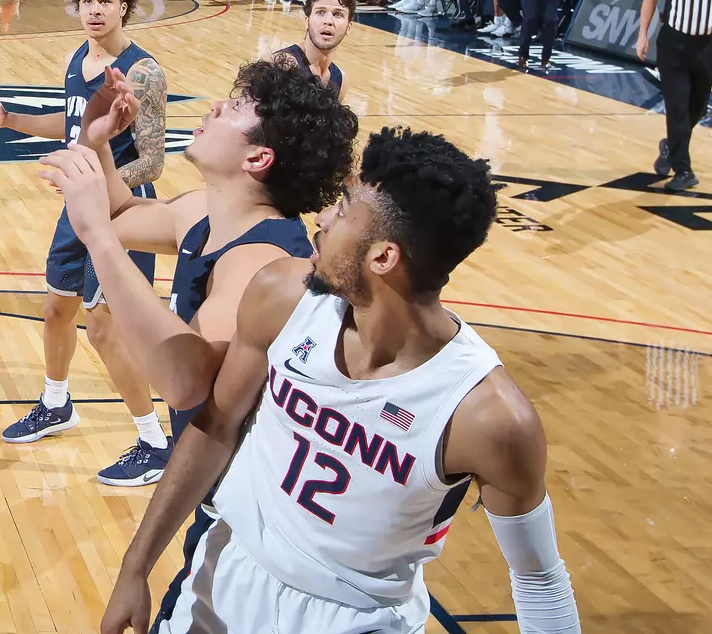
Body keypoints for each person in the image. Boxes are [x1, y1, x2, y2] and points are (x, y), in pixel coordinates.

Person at [95, 127, 581, 634]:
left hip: (356, 619)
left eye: (345, 207)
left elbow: (540, 581)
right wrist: (136, 566)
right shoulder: (281, 295)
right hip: (226, 577)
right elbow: (214, 428)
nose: (323, 218)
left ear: (383, 257)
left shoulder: (489, 416)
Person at [39, 57, 358, 627]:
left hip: (250, 517)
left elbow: (189, 385)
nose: (213, 106)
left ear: (258, 159)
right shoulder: (205, 214)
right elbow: (120, 214)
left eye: (235, 108)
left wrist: (95, 239)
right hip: (209, 490)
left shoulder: (262, 262)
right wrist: (99, 140)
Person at [0, 0, 173, 484]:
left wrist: (94, 171)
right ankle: (56, 404)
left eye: (106, 0)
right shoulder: (77, 56)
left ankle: (154, 440)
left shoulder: (143, 71)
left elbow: (152, 161)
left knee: (104, 328)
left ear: (124, 5)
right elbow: (71, 119)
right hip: (79, 204)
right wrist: (9, 119)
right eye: (88, 1)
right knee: (56, 307)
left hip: (122, 210)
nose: (95, 10)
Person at [637, 0, 712, 191]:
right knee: (678, 107)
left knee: (697, 108)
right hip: (674, 44)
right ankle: (684, 170)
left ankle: (670, 145)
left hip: (707, 46)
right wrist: (643, 35)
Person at [272, 0, 353, 94]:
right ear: (307, 21)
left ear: (348, 27)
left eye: (338, 14)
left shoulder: (340, 80)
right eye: (320, 12)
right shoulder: (280, 66)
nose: (328, 21)